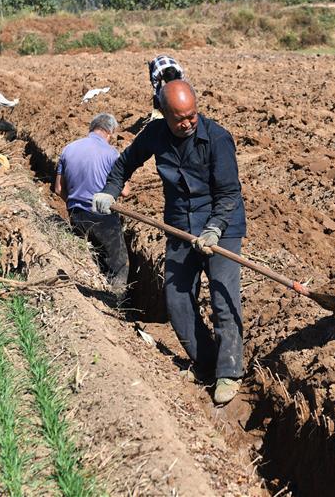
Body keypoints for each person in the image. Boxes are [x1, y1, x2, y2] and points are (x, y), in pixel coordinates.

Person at [93, 80, 246, 405]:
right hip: (179, 226)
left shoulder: (216, 138)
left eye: (192, 115)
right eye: (180, 118)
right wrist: (110, 189)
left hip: (222, 227)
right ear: (164, 113)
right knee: (177, 299)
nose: (188, 122)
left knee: (222, 297)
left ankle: (229, 372)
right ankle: (204, 363)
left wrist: (215, 229)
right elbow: (124, 164)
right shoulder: (155, 134)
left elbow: (230, 193)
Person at [55, 113, 130, 298]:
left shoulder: (68, 149)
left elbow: (58, 189)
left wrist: (74, 204)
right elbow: (125, 191)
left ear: (92, 128)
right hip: (103, 217)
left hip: (76, 214)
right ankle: (115, 304)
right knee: (118, 263)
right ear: (109, 132)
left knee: (90, 258)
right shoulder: (111, 153)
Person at [148, 54, 185, 120]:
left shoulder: (180, 72)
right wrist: (161, 104)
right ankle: (157, 111)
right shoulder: (157, 73)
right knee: (157, 92)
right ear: (164, 77)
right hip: (156, 63)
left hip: (168, 61)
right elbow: (156, 91)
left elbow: (182, 88)